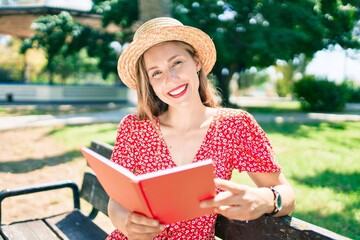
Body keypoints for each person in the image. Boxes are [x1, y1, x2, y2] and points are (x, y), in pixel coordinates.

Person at [107, 17, 295, 240]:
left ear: (196, 62)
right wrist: (126, 224)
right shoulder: (134, 129)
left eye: (176, 62)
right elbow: (116, 201)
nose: (171, 79)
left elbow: (286, 194)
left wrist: (265, 200)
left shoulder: (235, 125)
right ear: (149, 82)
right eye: (156, 73)